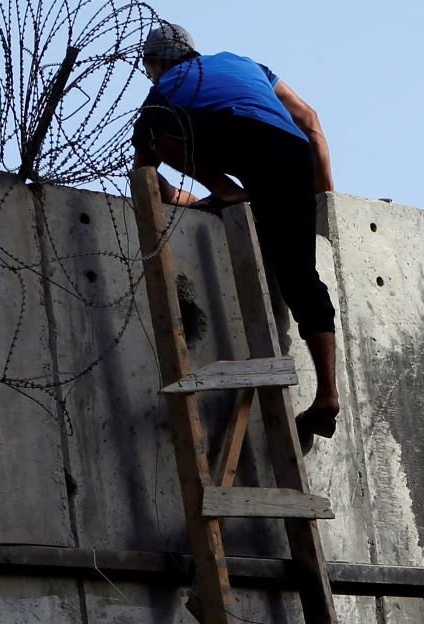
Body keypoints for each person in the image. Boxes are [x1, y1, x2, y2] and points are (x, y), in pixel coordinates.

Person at [130, 24, 342, 441]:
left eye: (149, 68)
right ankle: (327, 396)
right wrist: (322, 198)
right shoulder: (246, 65)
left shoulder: (166, 88)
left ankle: (226, 191)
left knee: (150, 130)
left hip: (239, 142)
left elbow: (146, 175)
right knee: (301, 278)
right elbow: (310, 121)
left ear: (155, 63)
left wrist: (204, 194)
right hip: (291, 154)